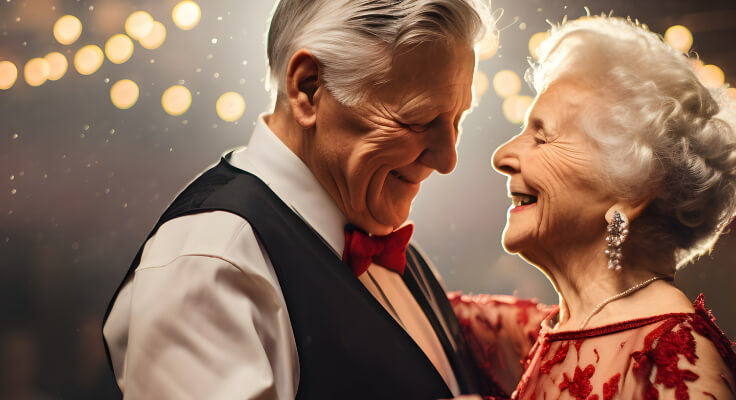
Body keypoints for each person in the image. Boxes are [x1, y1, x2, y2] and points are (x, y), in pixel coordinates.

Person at [102, 0, 498, 398]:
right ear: (308, 88)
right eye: (419, 120)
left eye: (457, 120)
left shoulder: (384, 234)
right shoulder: (212, 262)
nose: (448, 160)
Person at [451, 16, 736, 399]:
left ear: (631, 190)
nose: (502, 155)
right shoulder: (553, 331)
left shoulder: (674, 357)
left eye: (542, 137)